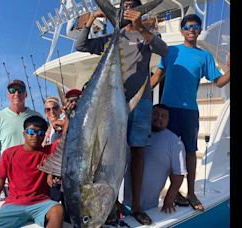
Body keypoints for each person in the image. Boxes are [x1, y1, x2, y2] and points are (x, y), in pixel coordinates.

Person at [75, 0, 168, 225]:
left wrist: (142, 27)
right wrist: (91, 20)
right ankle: (110, 204)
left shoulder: (146, 37)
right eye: (123, 7)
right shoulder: (110, 39)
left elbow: (164, 50)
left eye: (132, 6)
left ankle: (135, 206)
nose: (127, 10)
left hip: (140, 103)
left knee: (137, 153)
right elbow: (80, 45)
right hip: (109, 106)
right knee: (108, 156)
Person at [151, 14, 230, 211]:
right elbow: (157, 76)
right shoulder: (171, 52)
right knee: (165, 152)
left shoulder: (204, 56)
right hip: (167, 111)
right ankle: (172, 190)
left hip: (189, 112)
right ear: (182, 30)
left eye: (195, 26)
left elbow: (218, 82)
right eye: (187, 26)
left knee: (190, 152)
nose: (191, 29)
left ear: (199, 30)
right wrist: (139, 95)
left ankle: (191, 192)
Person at [0, 115, 64, 227]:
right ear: (24, 133)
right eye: (31, 131)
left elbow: (68, 137)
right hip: (13, 205)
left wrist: (63, 122)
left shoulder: (48, 152)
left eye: (41, 133)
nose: (35, 136)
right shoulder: (9, 154)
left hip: (41, 203)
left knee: (58, 209)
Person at [123, 104, 187, 213]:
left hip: (150, 208)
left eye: (164, 116)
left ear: (168, 120)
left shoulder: (175, 142)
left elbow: (179, 173)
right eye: (156, 114)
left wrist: (168, 200)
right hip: (125, 204)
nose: (159, 118)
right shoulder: (135, 133)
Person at [0, 79, 42, 200]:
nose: (16, 93)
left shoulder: (37, 116)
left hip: (35, 181)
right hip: (9, 182)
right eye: (12, 90)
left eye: (20, 90)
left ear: (26, 94)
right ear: (8, 94)